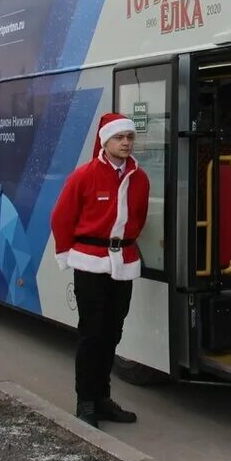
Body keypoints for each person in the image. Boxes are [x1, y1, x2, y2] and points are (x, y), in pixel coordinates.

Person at [50, 112, 150, 428]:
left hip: (123, 266)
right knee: (91, 334)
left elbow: (140, 216)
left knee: (112, 334)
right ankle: (86, 402)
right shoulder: (84, 175)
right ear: (105, 141)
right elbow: (61, 218)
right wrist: (66, 254)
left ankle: (103, 399)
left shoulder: (140, 178)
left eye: (129, 138)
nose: (126, 143)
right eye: (120, 138)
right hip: (90, 263)